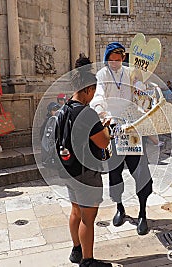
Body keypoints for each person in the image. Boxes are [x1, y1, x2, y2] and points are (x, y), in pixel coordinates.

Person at [90, 42, 153, 236]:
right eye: (112, 60)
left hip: (133, 128)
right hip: (113, 128)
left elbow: (140, 94)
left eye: (118, 60)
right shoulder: (102, 75)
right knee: (114, 172)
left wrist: (145, 99)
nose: (115, 63)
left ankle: (143, 212)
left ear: (123, 58)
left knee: (141, 171)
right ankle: (120, 207)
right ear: (107, 58)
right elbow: (98, 95)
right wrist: (102, 113)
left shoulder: (131, 73)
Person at [64, 55, 112, 267]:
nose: (93, 96)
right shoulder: (87, 113)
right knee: (88, 218)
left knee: (75, 211)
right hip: (86, 171)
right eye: (93, 91)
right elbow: (102, 142)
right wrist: (106, 129)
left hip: (70, 169)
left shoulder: (64, 108)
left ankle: (76, 250)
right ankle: (87, 260)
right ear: (87, 89)